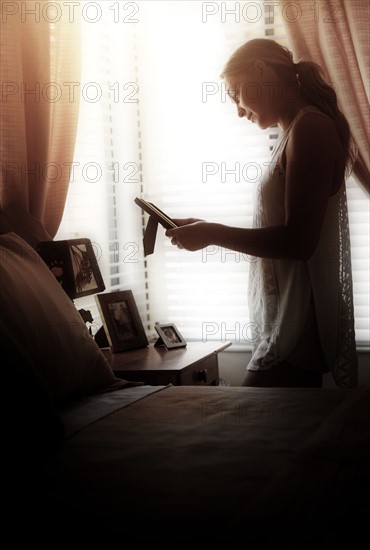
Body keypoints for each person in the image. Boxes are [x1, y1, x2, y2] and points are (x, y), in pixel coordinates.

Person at [165, 38, 358, 388]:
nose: (238, 109)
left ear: (260, 71)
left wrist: (211, 234)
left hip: (297, 322)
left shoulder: (309, 128)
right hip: (289, 318)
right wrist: (205, 227)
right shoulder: (295, 131)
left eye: (236, 92)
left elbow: (299, 241)